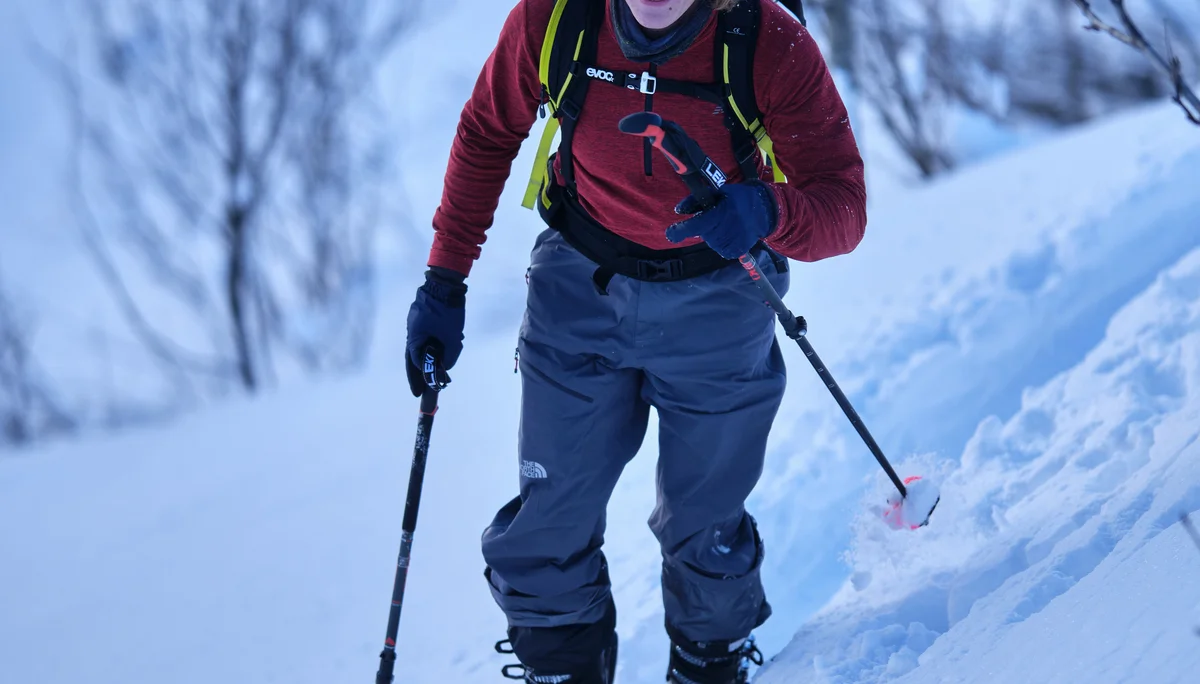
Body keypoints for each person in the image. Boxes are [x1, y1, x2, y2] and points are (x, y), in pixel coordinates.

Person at [404, 0, 865, 681]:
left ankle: (709, 666)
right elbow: (486, 131)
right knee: (548, 523)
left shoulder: (767, 42)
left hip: (720, 298)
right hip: (579, 290)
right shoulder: (554, 20)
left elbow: (844, 207)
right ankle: (561, 669)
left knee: (704, 525)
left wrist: (768, 210)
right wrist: (444, 281)